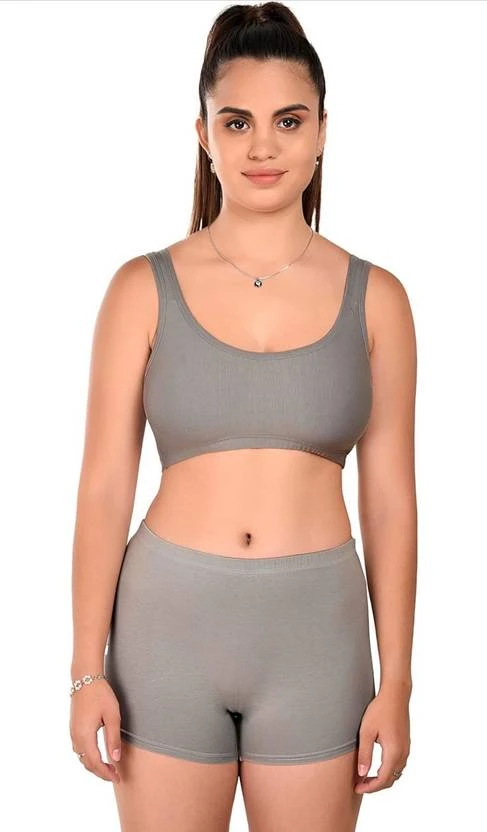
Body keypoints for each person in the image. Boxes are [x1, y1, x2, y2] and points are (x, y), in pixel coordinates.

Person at [69, 2, 417, 830]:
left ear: (322, 132)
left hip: (315, 640)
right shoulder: (139, 289)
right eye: (237, 122)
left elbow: (390, 501)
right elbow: (105, 487)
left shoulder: (378, 299)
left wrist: (397, 681)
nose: (263, 146)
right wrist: (86, 670)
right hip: (165, 632)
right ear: (204, 135)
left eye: (287, 121)